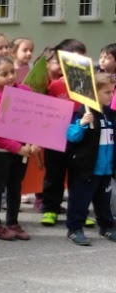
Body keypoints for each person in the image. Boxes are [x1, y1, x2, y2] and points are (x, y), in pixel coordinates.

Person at [0, 55, 38, 241]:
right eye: (4, 74)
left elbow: (34, 119)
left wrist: (34, 142)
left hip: (23, 151)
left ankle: (13, 222)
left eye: (12, 72)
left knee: (16, 187)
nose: (10, 77)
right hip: (3, 152)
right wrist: (16, 147)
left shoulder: (25, 91)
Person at [64, 71, 116, 246]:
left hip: (105, 169)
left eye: (112, 91)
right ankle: (74, 229)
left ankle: (107, 226)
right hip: (86, 168)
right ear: (94, 93)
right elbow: (71, 136)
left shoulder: (110, 115)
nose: (111, 95)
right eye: (107, 92)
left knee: (104, 202)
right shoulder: (83, 112)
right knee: (80, 200)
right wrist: (82, 124)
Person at [41, 39, 87, 227]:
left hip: (83, 136)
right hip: (57, 135)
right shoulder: (55, 86)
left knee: (79, 175)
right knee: (54, 174)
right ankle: (51, 209)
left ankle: (78, 212)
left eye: (82, 58)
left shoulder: (88, 83)